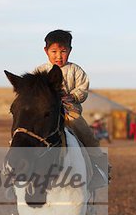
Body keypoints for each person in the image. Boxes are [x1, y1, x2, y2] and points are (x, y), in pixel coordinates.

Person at [34, 30, 109, 186]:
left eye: (63, 51)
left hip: (69, 112)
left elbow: (83, 88)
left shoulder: (76, 70)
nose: (59, 56)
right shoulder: (40, 71)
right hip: (46, 113)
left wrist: (73, 96)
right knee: (26, 129)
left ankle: (99, 167)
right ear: (46, 51)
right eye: (54, 51)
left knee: (85, 132)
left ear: (70, 50)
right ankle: (16, 165)